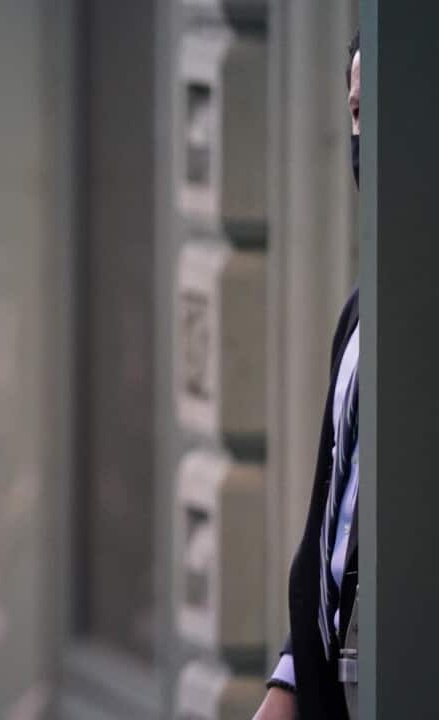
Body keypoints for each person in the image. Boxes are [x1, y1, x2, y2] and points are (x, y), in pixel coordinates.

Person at [253, 30, 361, 720]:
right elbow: (337, 522)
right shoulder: (363, 315)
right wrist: (290, 680)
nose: (364, 137)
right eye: (354, 113)